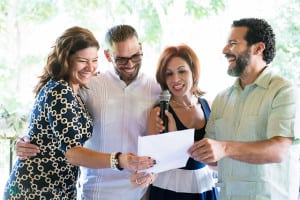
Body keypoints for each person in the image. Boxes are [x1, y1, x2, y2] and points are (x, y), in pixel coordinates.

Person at [4, 26, 155, 200]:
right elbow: (72, 152)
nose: (90, 67)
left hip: (58, 189)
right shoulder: (61, 90)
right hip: (36, 189)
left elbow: (48, 127)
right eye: (83, 60)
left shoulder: (76, 90)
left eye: (94, 60)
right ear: (66, 60)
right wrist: (120, 159)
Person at [188, 18, 300, 199]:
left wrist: (224, 148)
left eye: (233, 43)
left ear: (258, 48)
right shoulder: (222, 98)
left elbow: (278, 151)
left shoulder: (283, 91)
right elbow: (214, 159)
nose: (225, 50)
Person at [131, 44, 218, 199]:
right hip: (170, 189)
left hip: (204, 186)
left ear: (193, 72)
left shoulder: (209, 106)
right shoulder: (159, 113)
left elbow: (219, 156)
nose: (175, 79)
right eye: (169, 74)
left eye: (182, 71)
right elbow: (153, 165)